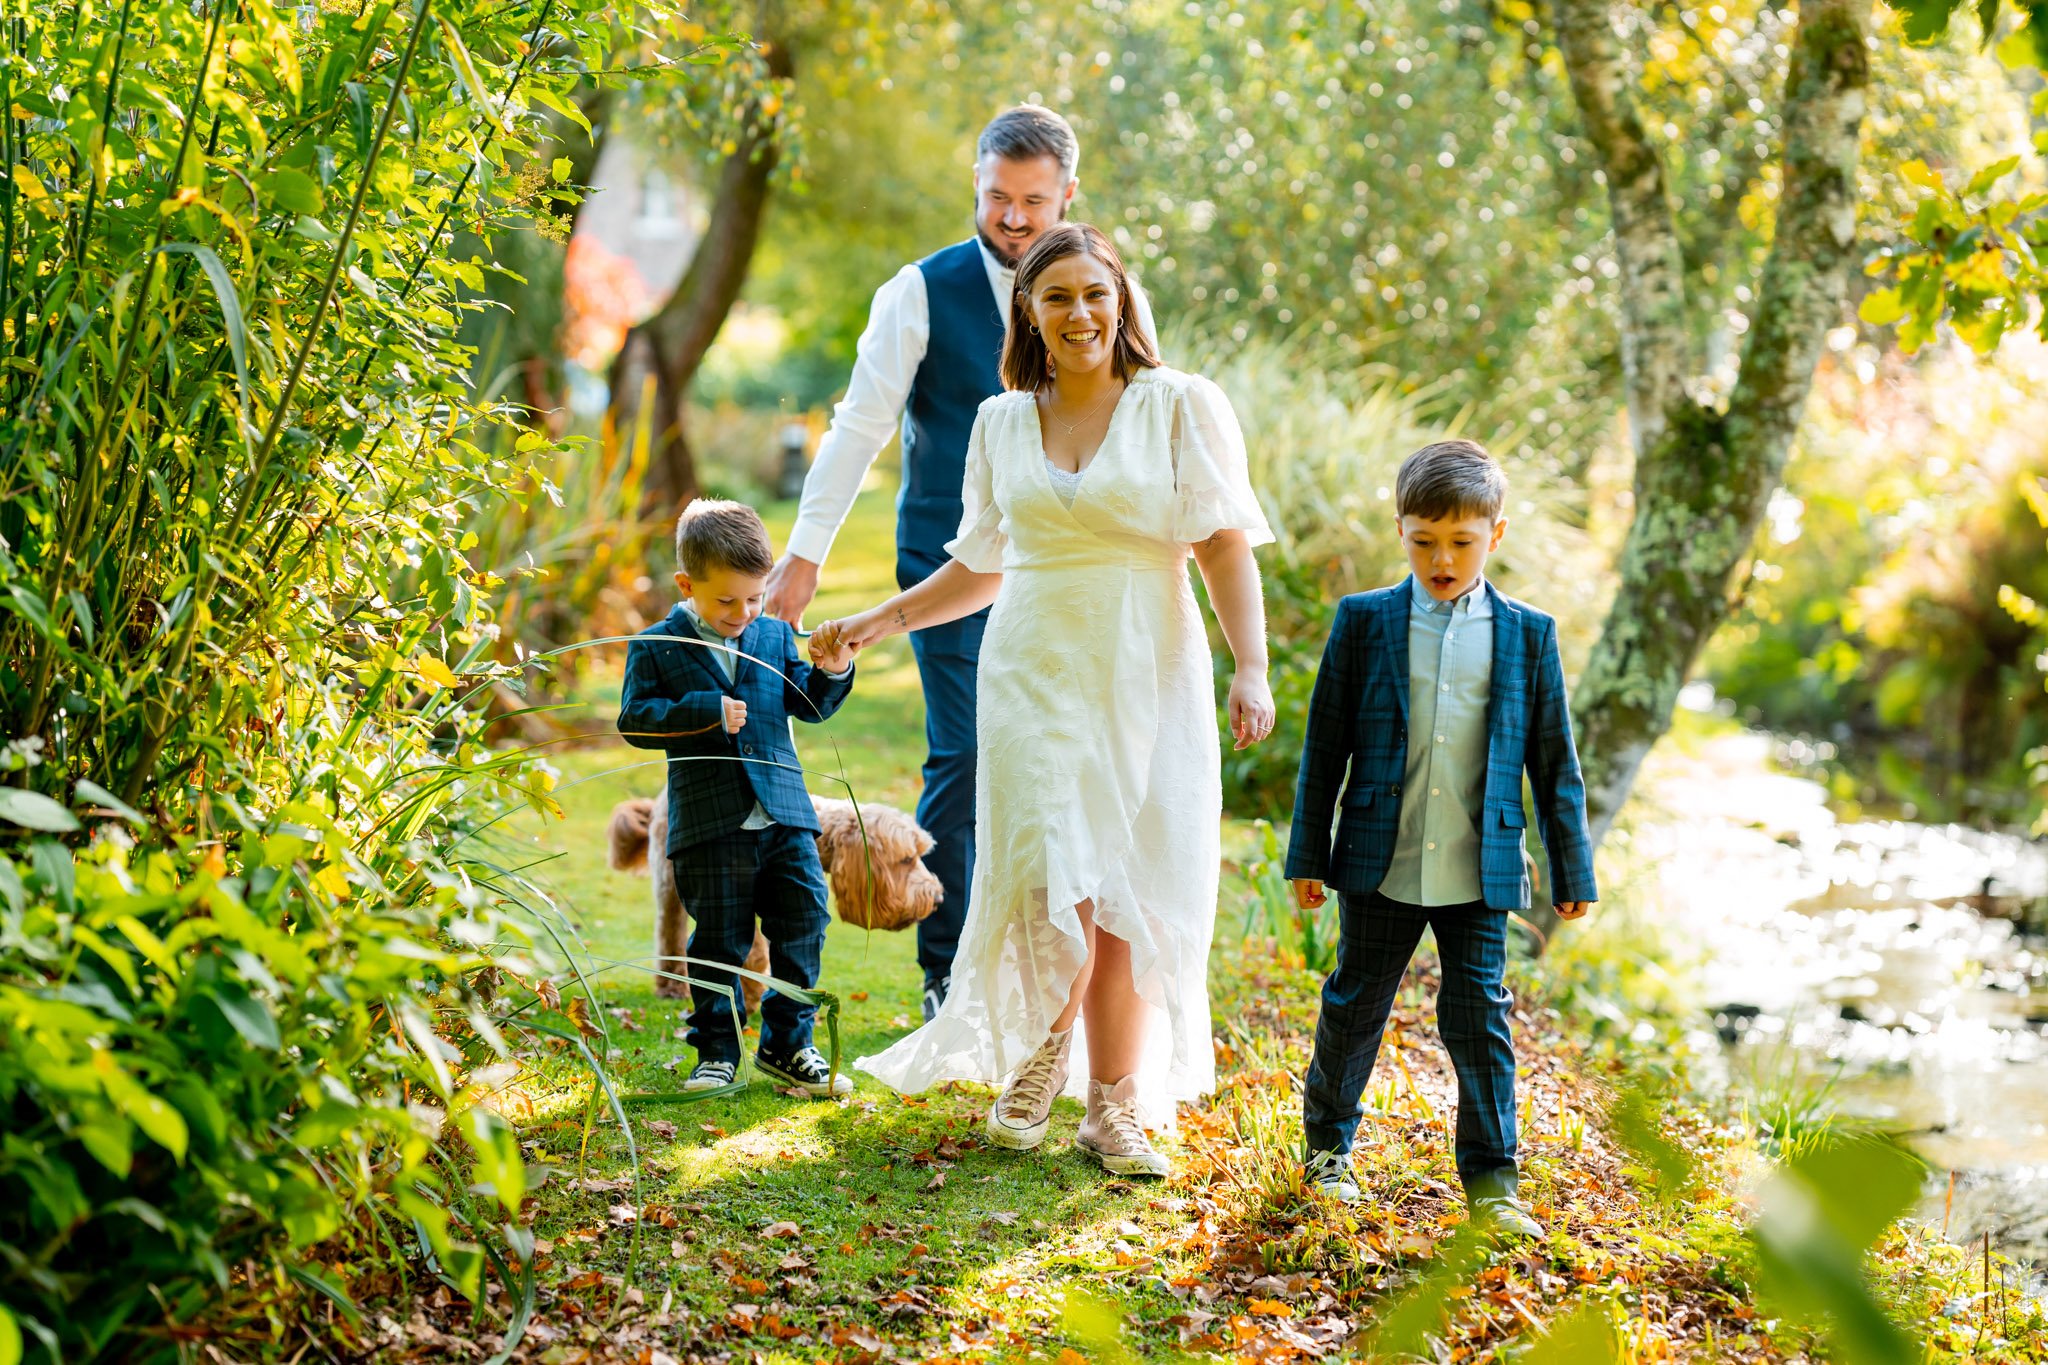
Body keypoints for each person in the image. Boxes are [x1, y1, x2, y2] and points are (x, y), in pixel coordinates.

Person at [809, 223, 1273, 1179]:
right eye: (1056, 296)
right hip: (1030, 669)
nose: (1079, 313)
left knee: (1127, 886)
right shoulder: (999, 421)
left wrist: (1251, 665)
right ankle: (1037, 1064)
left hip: (1149, 664)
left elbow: (1223, 542)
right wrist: (873, 623)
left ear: (1122, 300)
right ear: (1029, 310)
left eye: (1095, 293)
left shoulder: (1179, 406)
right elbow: (980, 564)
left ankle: (1113, 1106)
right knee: (1048, 867)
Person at [763, 106, 1156, 1024]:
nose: (1014, 219)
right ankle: (949, 969)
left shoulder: (1102, 288)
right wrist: (805, 556)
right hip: (951, 558)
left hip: (1079, 568)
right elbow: (860, 425)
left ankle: (1062, 960)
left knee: (1073, 759)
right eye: (996, 198)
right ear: (974, 186)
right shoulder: (919, 290)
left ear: (1068, 195)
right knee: (968, 750)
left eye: (1033, 200)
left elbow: (1144, 413)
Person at [1283, 439, 1598, 1236]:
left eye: (1461, 541)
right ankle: (1328, 1155)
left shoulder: (1529, 635)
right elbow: (1325, 746)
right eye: (1424, 540)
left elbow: (1555, 763)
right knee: (1356, 1003)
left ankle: (1494, 1181)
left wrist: (1574, 868)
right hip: (1378, 856)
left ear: (1496, 534)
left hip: (1477, 861)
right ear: (1400, 530)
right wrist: (1307, 853)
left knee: (1477, 1015)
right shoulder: (1364, 622)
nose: (1443, 558)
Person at [617, 499, 858, 1097]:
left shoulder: (773, 636)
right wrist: (705, 712)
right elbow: (635, 719)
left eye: (753, 598)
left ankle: (788, 1045)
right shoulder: (656, 646)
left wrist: (831, 670)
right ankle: (717, 1053)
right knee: (719, 939)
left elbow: (807, 704)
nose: (742, 613)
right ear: (686, 584)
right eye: (726, 601)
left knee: (805, 921)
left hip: (784, 816)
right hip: (711, 823)